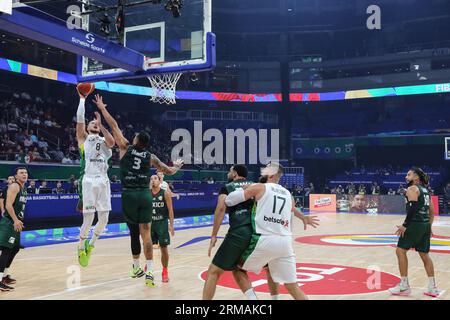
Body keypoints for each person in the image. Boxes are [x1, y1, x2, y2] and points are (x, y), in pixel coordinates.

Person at [94, 94, 183, 287]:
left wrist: (102, 109)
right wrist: (177, 166)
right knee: (147, 234)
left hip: (129, 195)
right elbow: (168, 171)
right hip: (144, 195)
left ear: (136, 140)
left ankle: (136, 267)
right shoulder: (151, 156)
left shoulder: (125, 147)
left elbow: (114, 125)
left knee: (134, 233)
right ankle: (150, 271)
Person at [225, 163, 319, 300]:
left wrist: (243, 190)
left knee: (237, 268)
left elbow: (229, 201)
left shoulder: (258, 187)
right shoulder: (288, 194)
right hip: (286, 244)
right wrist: (303, 217)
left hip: (265, 239)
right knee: (293, 287)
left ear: (271, 174)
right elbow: (292, 209)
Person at [203, 165, 257, 300]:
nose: (228, 173)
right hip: (257, 234)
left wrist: (214, 235)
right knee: (238, 269)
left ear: (235, 173)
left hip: (239, 232)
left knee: (213, 272)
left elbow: (221, 209)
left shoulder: (227, 187)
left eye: (230, 171)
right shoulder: (256, 186)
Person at [75, 87, 115, 268]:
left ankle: (91, 245)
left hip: (104, 180)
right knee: (89, 219)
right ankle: (80, 245)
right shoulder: (84, 139)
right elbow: (80, 122)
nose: (94, 124)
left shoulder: (104, 140)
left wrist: (102, 123)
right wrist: (82, 100)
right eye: (93, 123)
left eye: (95, 123)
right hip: (89, 180)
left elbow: (112, 142)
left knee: (105, 218)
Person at [389, 167, 440, 297]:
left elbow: (412, 208)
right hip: (424, 225)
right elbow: (431, 211)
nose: (406, 176)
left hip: (414, 224)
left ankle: (404, 286)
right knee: (424, 255)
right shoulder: (426, 191)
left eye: (409, 174)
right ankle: (432, 287)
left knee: (400, 250)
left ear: (416, 177)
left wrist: (405, 225)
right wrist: (429, 226)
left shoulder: (412, 189)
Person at [0, 167, 28, 291]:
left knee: (15, 248)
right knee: (6, 249)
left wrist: (19, 221)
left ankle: (5, 276)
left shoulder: (23, 189)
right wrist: (16, 220)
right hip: (10, 222)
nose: (24, 174)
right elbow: (8, 205)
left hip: (16, 223)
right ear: (16, 176)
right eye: (21, 173)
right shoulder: (14, 187)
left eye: (26, 172)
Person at [149, 175, 174, 282]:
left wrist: (171, 225)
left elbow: (170, 210)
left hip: (162, 223)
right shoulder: (147, 193)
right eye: (151, 179)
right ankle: (149, 268)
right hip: (150, 224)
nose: (153, 180)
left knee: (164, 248)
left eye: (155, 178)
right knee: (148, 247)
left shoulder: (165, 193)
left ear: (160, 181)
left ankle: (165, 271)